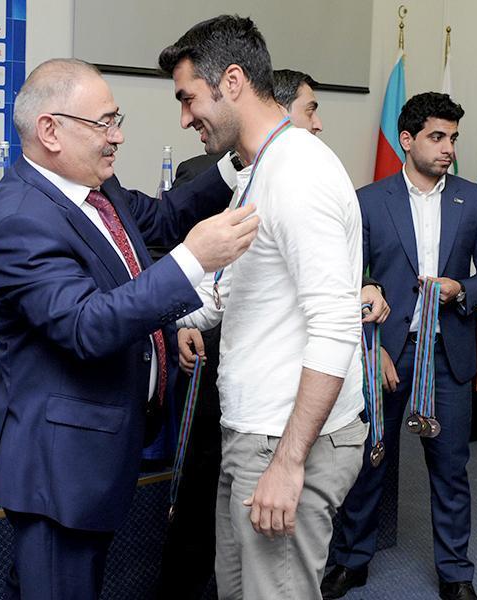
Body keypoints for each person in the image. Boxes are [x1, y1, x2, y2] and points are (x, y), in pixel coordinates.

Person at [0, 58, 260, 600]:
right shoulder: (21, 219)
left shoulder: (95, 190)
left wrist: (237, 161)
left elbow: (162, 216)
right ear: (50, 131)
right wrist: (191, 261)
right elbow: (87, 325)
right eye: (104, 123)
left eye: (117, 119)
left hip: (96, 450)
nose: (119, 136)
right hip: (59, 465)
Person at [159, 17, 369, 599]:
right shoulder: (257, 170)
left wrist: (289, 462)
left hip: (285, 441)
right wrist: (163, 309)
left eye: (188, 99)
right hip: (252, 432)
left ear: (231, 82)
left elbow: (335, 326)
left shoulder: (298, 172)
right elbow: (231, 291)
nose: (185, 118)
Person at [322, 92, 477, 600]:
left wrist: (461, 289)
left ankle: (456, 574)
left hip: (447, 356)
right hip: (386, 352)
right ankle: (351, 561)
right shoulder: (368, 200)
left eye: (453, 138)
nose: (448, 148)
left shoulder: (474, 200)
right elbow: (348, 276)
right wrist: (371, 335)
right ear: (407, 140)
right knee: (368, 461)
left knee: (450, 468)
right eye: (437, 137)